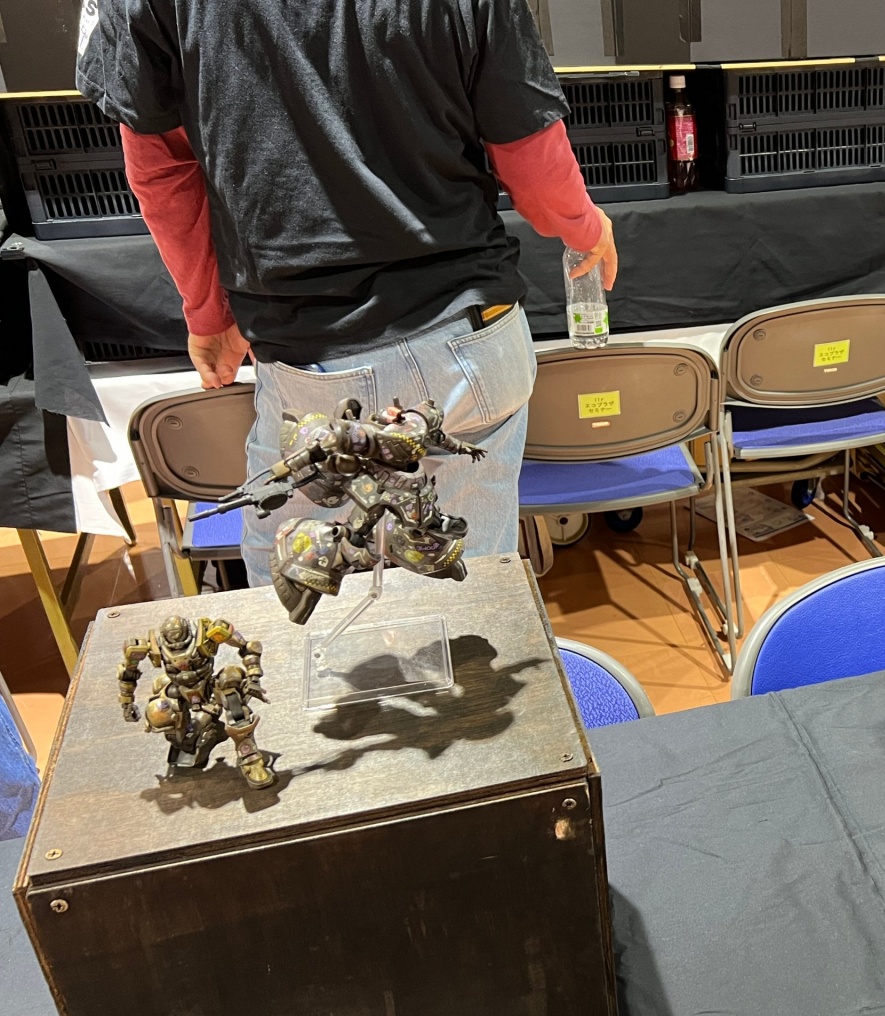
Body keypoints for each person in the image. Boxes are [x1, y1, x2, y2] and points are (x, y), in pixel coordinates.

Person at [77, 0, 619, 584]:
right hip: (463, 335)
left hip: (311, 352)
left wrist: (210, 311)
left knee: (304, 607)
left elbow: (163, 165)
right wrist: (586, 226)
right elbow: (529, 155)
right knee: (464, 598)